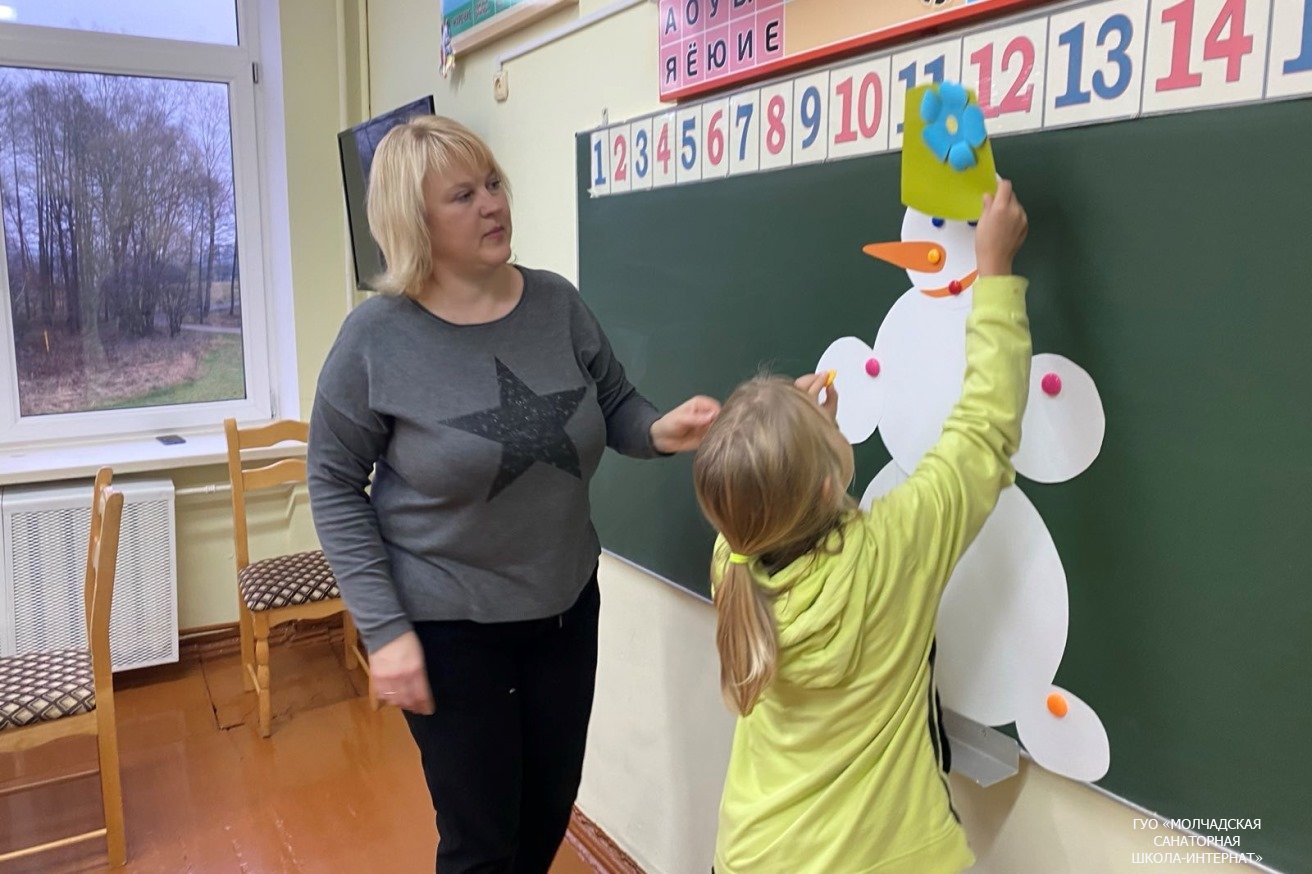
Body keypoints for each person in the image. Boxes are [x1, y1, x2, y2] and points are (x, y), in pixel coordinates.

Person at [306, 115, 719, 873]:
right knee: (483, 845)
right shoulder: (374, 340)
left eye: (492, 183)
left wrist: (661, 431)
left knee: (545, 816)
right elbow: (333, 484)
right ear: (415, 222)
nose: (493, 204)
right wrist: (385, 629)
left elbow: (614, 402)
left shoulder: (556, 304)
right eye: (462, 195)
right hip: (450, 627)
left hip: (565, 609)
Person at [692, 181, 1031, 873]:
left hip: (756, 854)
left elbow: (759, 492)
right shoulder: (892, 550)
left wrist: (795, 434)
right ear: (826, 481)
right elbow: (983, 430)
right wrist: (994, 273)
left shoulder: (735, 560)